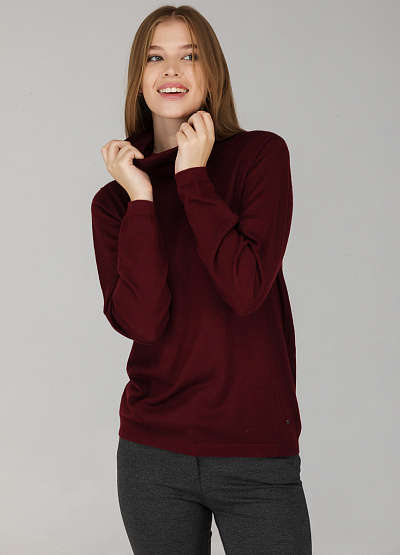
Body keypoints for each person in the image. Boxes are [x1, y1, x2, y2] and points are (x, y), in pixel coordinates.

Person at [91, 4, 312, 554]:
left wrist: (191, 175)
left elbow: (245, 289)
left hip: (256, 453)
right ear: (138, 79)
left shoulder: (260, 156)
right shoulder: (115, 200)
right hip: (152, 456)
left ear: (211, 71)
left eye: (189, 56)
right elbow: (143, 321)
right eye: (155, 58)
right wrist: (142, 200)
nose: (172, 69)